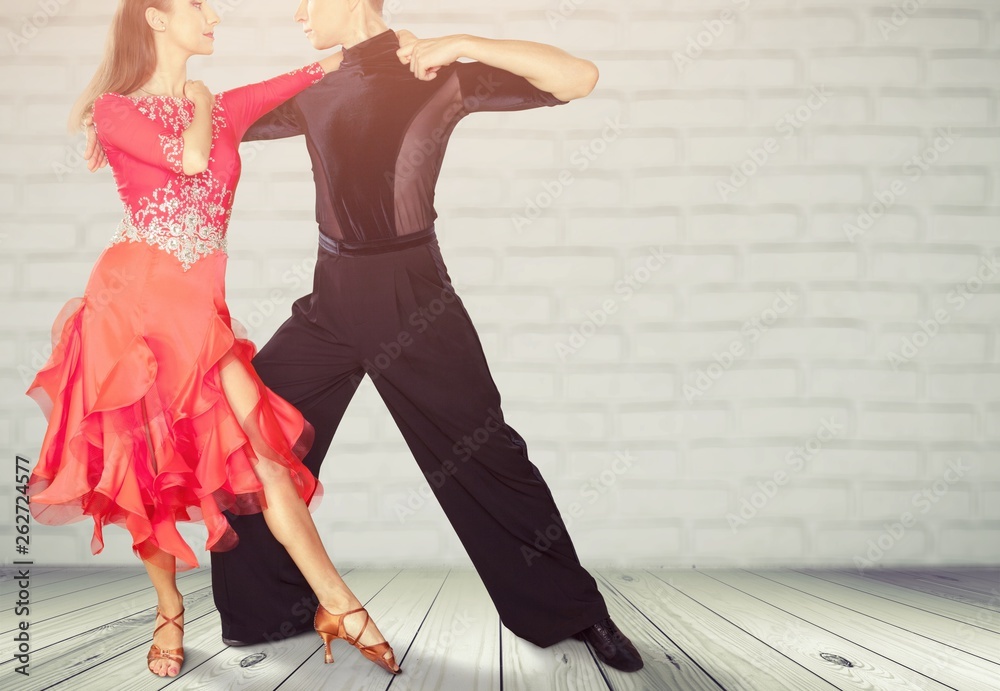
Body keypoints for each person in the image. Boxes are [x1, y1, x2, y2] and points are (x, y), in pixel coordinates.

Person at [27, 0, 401, 678]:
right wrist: (200, 101)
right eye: (199, 6)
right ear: (155, 18)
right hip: (132, 308)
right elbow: (193, 161)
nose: (214, 19)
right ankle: (169, 611)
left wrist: (396, 43)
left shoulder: (225, 105)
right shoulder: (118, 110)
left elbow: (317, 70)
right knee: (143, 469)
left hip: (200, 314)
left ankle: (338, 604)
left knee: (267, 456)